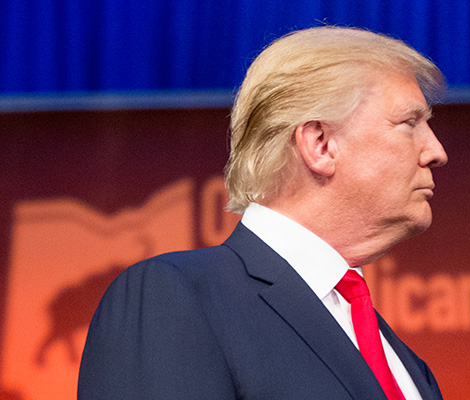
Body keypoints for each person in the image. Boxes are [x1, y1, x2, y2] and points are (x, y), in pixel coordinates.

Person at [78, 26, 448, 399]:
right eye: (409, 123)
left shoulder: (406, 365)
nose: (436, 151)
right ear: (320, 144)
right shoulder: (175, 297)